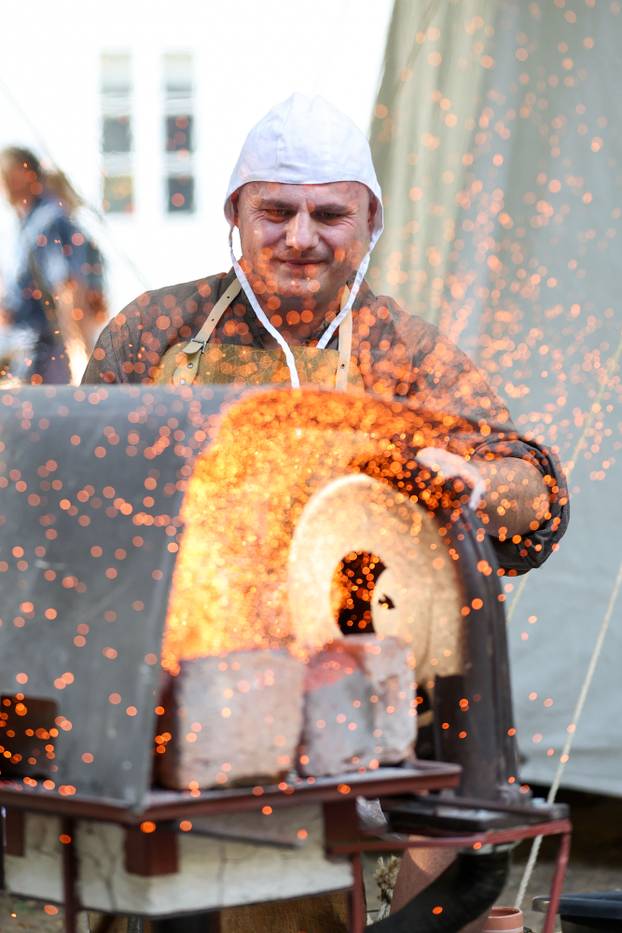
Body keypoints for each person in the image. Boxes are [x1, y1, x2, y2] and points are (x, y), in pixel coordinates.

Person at [82, 94, 569, 931]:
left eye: (329, 215)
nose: (300, 237)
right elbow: (80, 491)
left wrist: (478, 482)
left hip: (344, 702)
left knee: (292, 890)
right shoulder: (155, 332)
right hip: (166, 694)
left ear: (369, 220)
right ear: (234, 214)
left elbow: (537, 490)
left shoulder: (402, 352)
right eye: (276, 211)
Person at [0, 147, 106, 384]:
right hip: (22, 351)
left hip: (44, 355)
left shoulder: (47, 222)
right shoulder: (22, 223)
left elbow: (68, 290)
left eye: (5, 174)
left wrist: (83, 361)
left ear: (24, 175)